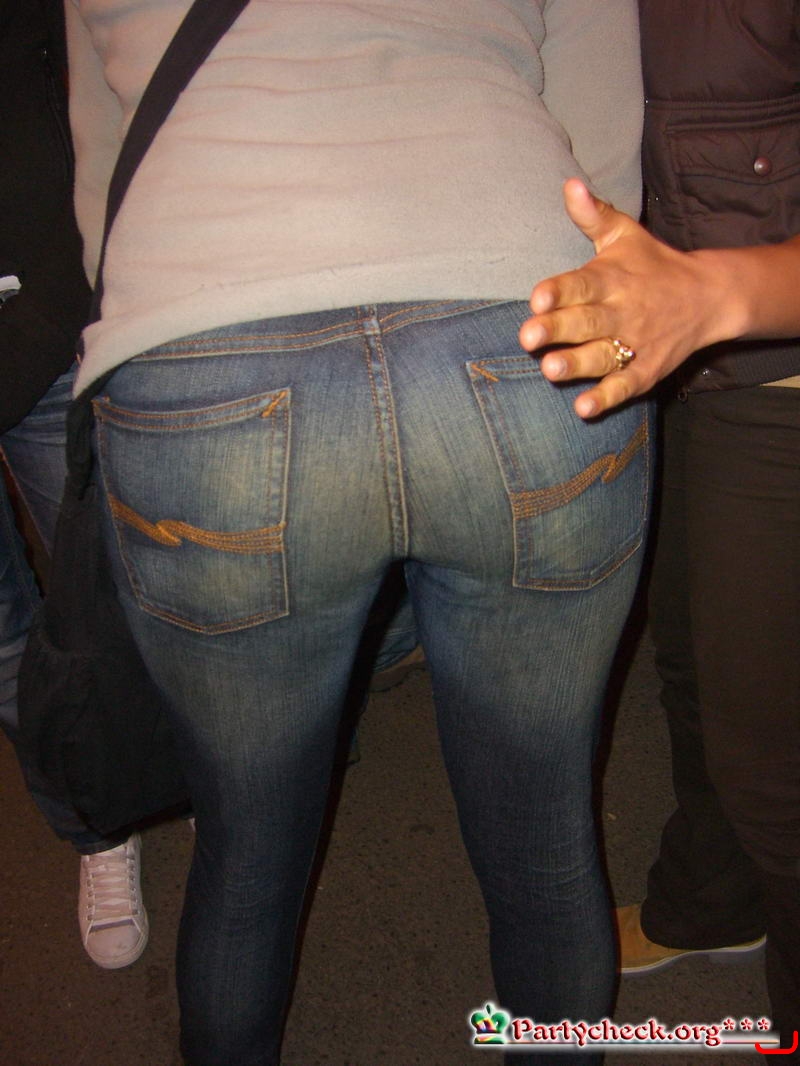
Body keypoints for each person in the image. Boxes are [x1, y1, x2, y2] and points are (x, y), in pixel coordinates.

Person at [65, 2, 648, 1062]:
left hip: (205, 335)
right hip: (518, 322)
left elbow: (104, 153)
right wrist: (598, 293)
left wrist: (154, 311)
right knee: (546, 846)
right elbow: (600, 110)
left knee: (244, 850)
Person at [519, 0, 800, 1053]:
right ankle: (713, 898)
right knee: (690, 670)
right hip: (678, 362)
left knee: (775, 772)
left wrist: (713, 294)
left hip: (777, 366)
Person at [1, 0, 147, 970]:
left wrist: (62, 300)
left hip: (35, 318)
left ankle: (161, 775)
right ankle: (97, 826)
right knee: (3, 638)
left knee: (112, 600)